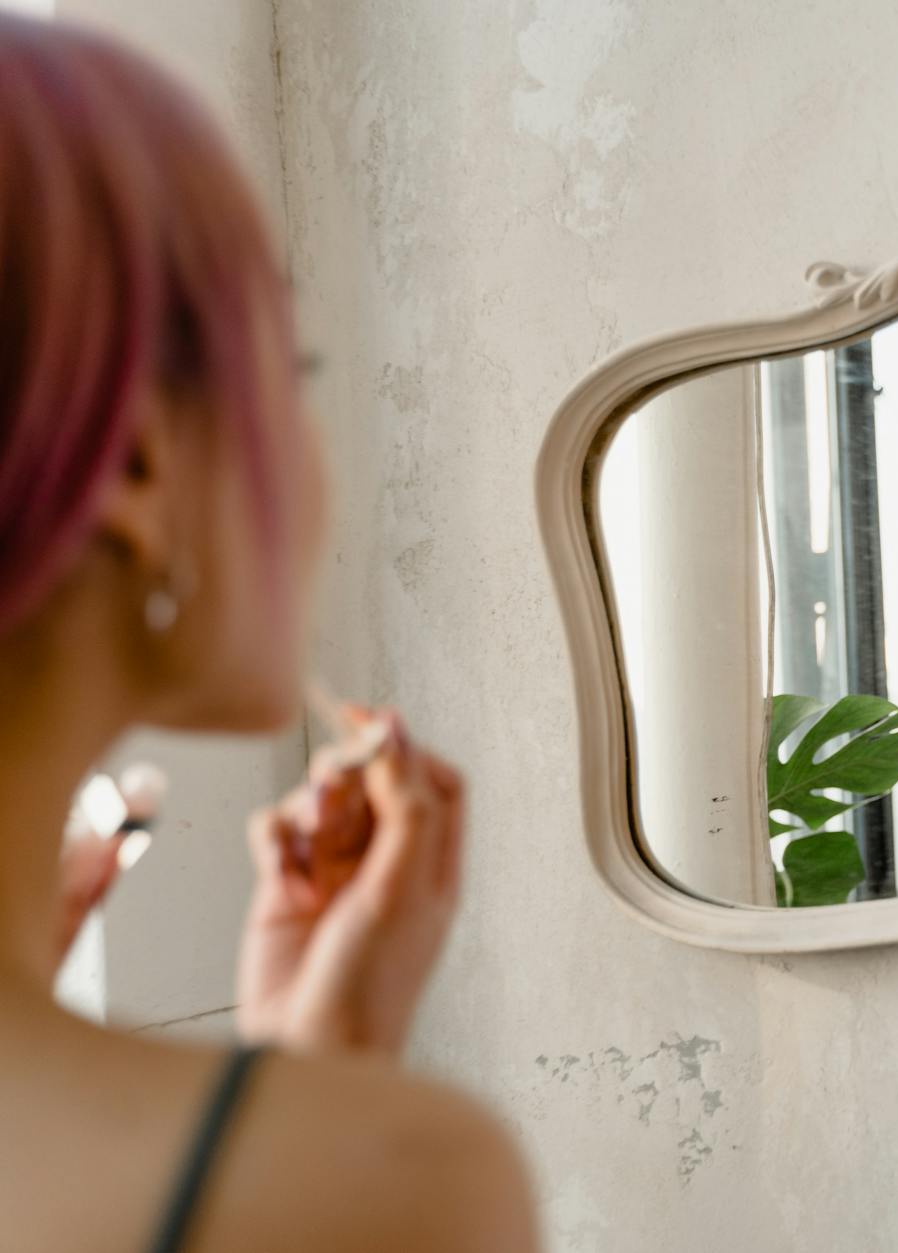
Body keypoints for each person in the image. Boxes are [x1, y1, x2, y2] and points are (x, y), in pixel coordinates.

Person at [0, 17, 538, 1251]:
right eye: (287, 369)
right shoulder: (401, 1178)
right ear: (135, 462)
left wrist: (300, 1073)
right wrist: (319, 1123)